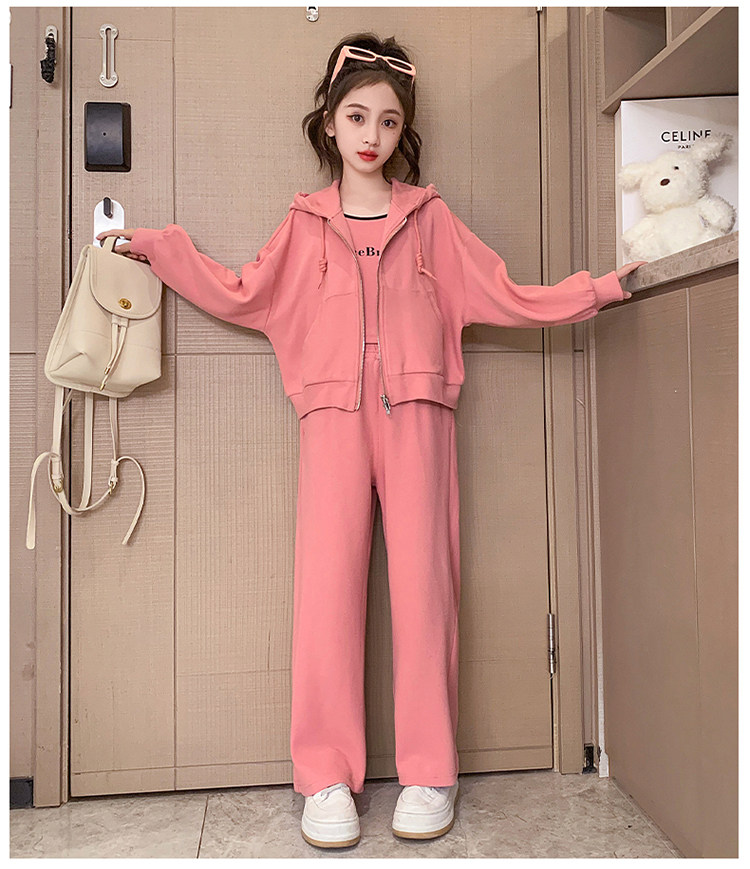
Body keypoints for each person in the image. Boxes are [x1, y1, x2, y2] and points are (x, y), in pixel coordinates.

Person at [96, 32, 646, 850]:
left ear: (402, 130)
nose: (371, 135)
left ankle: (430, 770)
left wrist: (593, 291)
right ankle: (324, 777)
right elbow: (243, 292)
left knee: (426, 591)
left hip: (418, 416)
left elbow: (504, 292)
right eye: (356, 116)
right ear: (329, 121)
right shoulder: (304, 223)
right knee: (326, 595)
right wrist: (160, 251)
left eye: (389, 121)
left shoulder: (430, 219)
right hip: (331, 420)